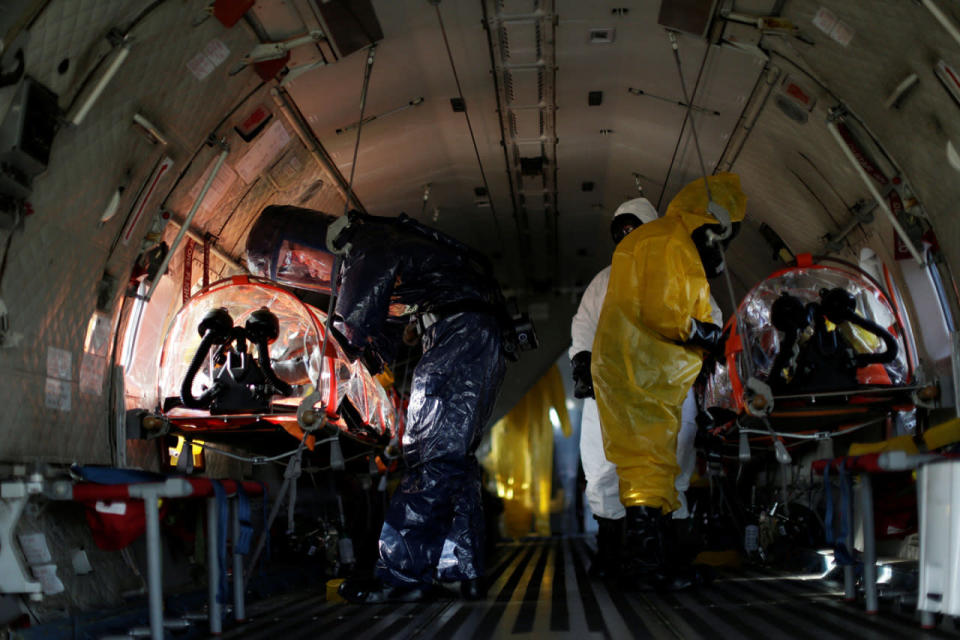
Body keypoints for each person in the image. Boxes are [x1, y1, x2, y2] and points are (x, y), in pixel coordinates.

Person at [325, 210, 508, 604]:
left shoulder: (368, 244)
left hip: (457, 335)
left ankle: (401, 576)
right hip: (474, 335)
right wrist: (377, 358)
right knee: (452, 459)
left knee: (429, 454)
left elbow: (356, 316)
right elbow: (387, 318)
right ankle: (459, 570)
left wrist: (340, 351)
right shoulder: (402, 244)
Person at [591, 173, 746, 589]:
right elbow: (662, 313)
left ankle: (658, 560)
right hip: (638, 369)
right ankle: (645, 567)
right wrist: (706, 335)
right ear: (712, 224)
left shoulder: (671, 243)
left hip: (649, 372)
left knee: (657, 464)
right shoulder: (666, 241)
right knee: (646, 465)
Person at [569, 197, 658, 578]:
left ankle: (657, 555)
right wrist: (582, 363)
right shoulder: (604, 281)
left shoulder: (672, 274)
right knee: (601, 467)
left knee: (659, 469)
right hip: (607, 389)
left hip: (658, 391)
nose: (626, 237)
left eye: (633, 228)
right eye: (620, 231)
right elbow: (584, 324)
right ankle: (611, 553)